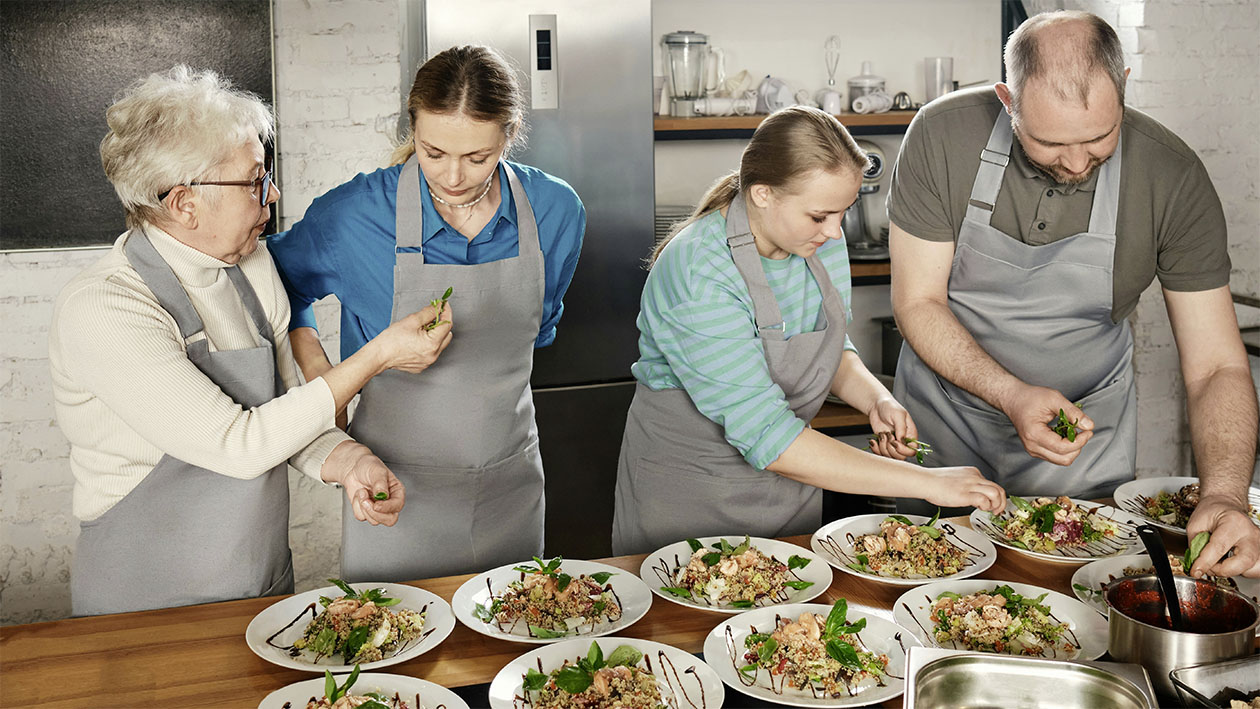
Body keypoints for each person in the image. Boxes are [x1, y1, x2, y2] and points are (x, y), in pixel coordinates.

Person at [49, 66, 453, 616]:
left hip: (258, 584)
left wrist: (350, 460)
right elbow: (240, 444)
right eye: (254, 180)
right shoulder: (106, 308)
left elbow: (286, 412)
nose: (273, 193)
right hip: (145, 600)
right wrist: (377, 355)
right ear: (184, 204)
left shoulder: (250, 265)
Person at [888, 11, 1260, 577]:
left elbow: (1215, 366)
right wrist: (1011, 394)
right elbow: (918, 302)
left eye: (1098, 139)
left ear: (1125, 85)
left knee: (1065, 608)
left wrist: (1228, 494)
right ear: (1006, 100)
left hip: (1082, 445)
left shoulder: (1172, 176)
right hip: (946, 431)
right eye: (1049, 142)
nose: (1077, 163)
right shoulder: (943, 134)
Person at [610, 106, 1006, 555]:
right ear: (762, 194)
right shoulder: (699, 269)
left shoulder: (815, 242)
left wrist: (875, 398)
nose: (836, 232)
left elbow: (829, 344)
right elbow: (769, 437)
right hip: (691, 501)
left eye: (844, 211)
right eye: (820, 215)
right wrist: (929, 483)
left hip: (790, 490)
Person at [267, 45, 585, 581]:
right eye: (433, 152)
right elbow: (274, 288)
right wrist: (321, 372)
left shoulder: (556, 211)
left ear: (509, 135)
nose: (454, 175)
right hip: (393, 488)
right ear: (412, 128)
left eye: (478, 157)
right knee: (395, 647)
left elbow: (540, 330)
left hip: (511, 485)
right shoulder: (355, 215)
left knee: (511, 649)